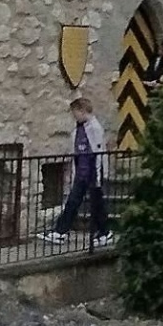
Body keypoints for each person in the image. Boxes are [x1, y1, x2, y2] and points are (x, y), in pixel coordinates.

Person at [50, 93, 110, 243]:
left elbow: (97, 152)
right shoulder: (80, 128)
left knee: (96, 204)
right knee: (74, 201)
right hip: (82, 171)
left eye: (75, 113)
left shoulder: (94, 128)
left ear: (82, 111)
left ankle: (104, 232)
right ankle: (60, 231)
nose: (74, 117)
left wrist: (97, 176)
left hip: (91, 171)